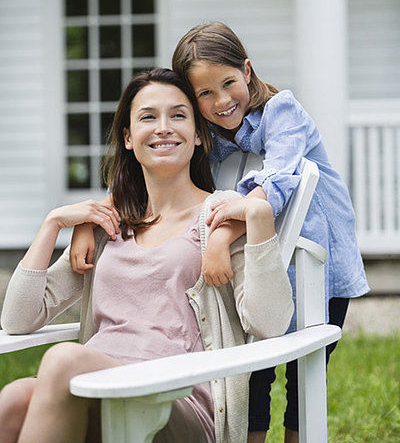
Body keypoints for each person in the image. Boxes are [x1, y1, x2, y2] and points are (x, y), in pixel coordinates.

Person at [0, 68, 294, 443]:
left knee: (63, 360)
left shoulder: (220, 216)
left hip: (174, 403)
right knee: (13, 399)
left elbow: (269, 324)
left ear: (199, 136)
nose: (164, 127)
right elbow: (18, 319)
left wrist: (259, 218)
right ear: (127, 137)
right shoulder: (110, 224)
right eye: (148, 117)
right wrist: (53, 223)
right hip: (99, 389)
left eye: (178, 115)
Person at [170, 22, 370, 443]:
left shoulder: (283, 111)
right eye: (205, 93)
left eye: (228, 83)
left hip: (317, 264)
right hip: (260, 272)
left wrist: (222, 233)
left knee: (305, 375)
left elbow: (278, 179)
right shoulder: (208, 136)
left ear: (246, 69)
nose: (222, 101)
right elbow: (155, 169)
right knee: (254, 371)